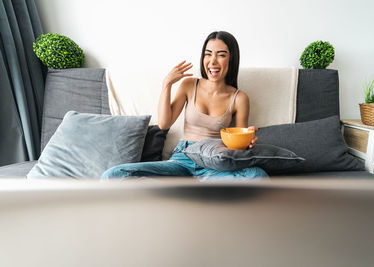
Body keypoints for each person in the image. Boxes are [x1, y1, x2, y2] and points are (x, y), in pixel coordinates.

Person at [102, 31, 268, 180]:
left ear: (232, 59)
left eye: (221, 55)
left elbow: (237, 148)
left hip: (214, 163)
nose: (212, 61)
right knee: (114, 175)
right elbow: (164, 124)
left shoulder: (239, 98)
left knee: (257, 176)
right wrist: (167, 84)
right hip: (182, 159)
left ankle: (199, 188)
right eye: (208, 54)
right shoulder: (189, 85)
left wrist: (246, 139)